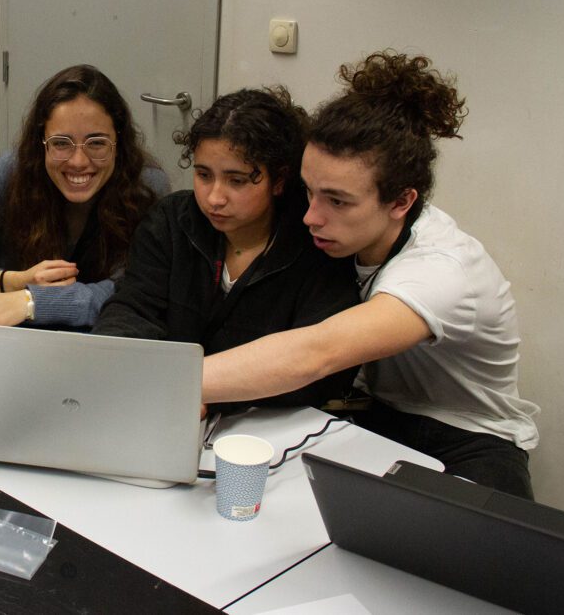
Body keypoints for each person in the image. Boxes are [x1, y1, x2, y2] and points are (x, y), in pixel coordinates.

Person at [200, 52, 540, 498]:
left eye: (337, 201)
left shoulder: (442, 271)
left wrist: (167, 382)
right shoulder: (339, 232)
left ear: (401, 201)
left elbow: (315, 352)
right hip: (375, 416)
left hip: (470, 439)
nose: (310, 217)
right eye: (309, 191)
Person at [93, 87, 359, 410]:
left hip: (265, 425)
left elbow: (319, 376)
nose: (215, 197)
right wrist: (141, 376)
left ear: (278, 180)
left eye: (237, 181)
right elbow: (131, 311)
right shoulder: (171, 222)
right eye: (204, 175)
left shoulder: (315, 246)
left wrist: (207, 394)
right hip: (162, 403)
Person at [0, 64, 170, 329]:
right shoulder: (9, 174)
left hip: (106, 340)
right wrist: (11, 281)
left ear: (119, 141)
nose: (79, 161)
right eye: (61, 143)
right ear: (41, 143)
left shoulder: (148, 188)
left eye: (96, 143)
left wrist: (32, 301)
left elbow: (140, 293)